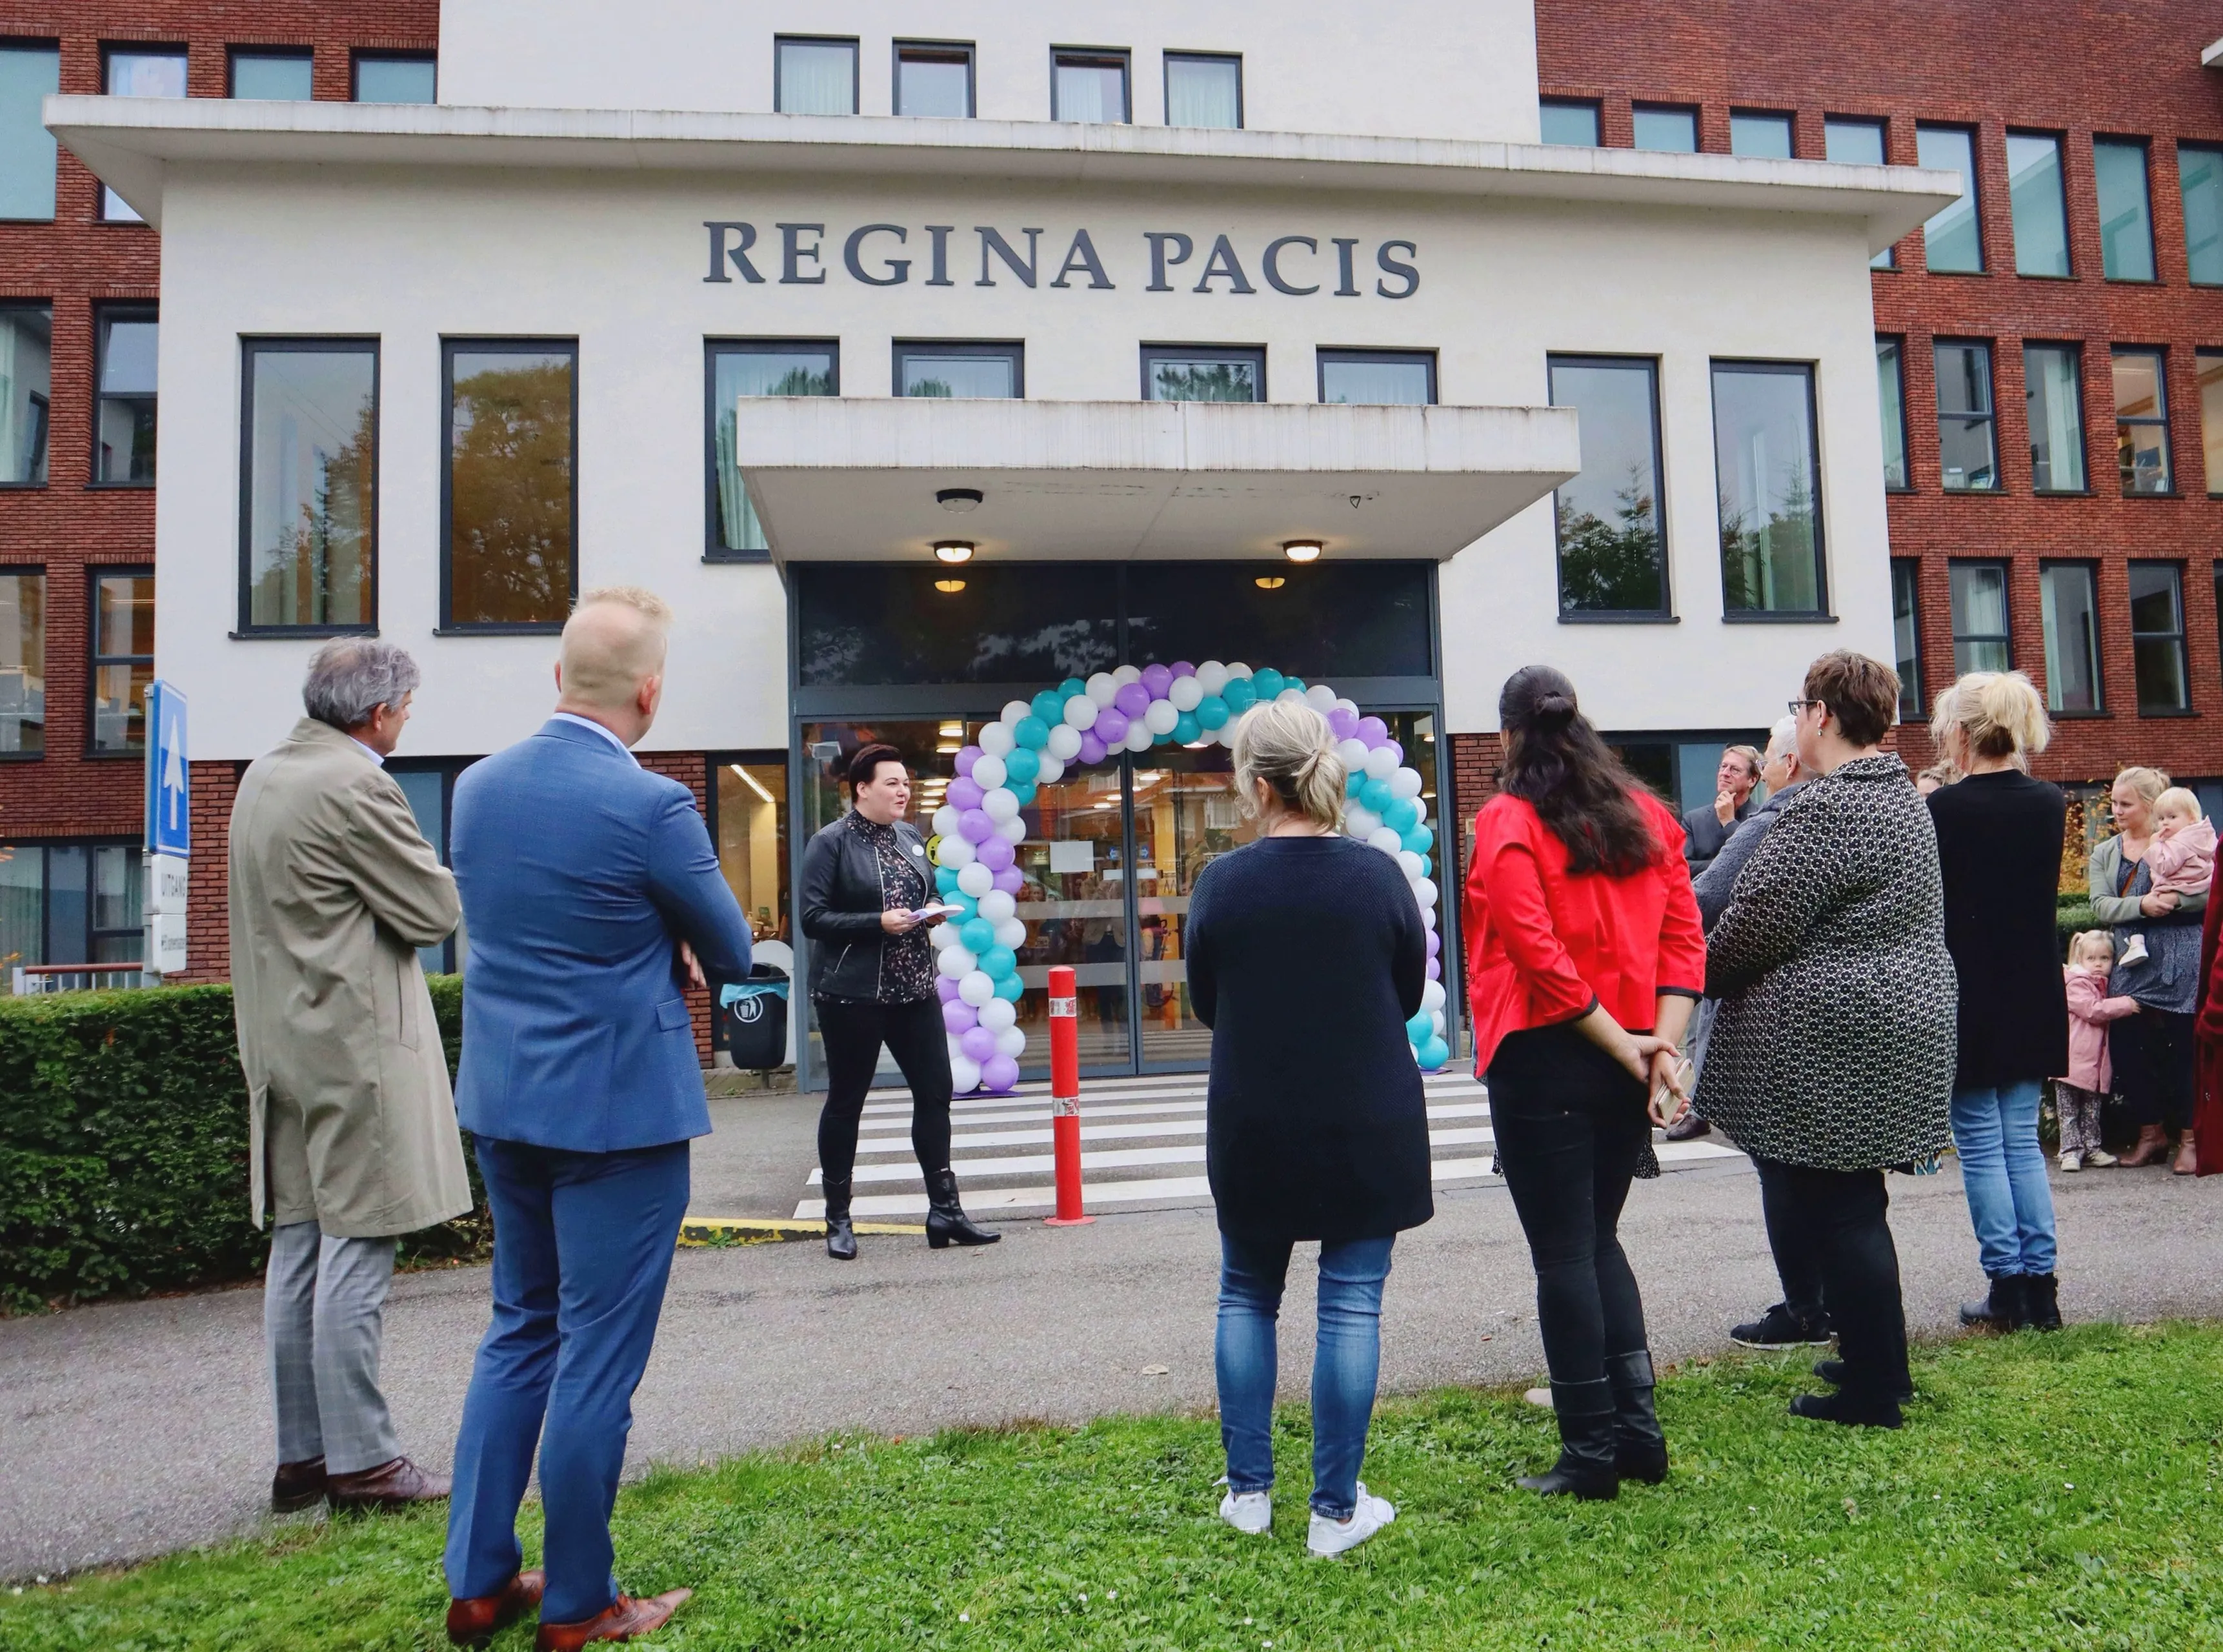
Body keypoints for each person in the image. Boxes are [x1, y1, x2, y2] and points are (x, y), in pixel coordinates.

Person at [443, 588, 752, 1651]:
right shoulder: (654, 806)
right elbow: (733, 953)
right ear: (651, 694)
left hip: (504, 1103)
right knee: (596, 1358)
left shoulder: (476, 790)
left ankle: (478, 1581)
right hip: (619, 1115)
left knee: (518, 1329)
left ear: (557, 677)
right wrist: (670, 940)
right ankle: (579, 1600)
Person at [228, 639, 468, 1518]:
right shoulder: (357, 784)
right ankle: (365, 1463)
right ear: (377, 713)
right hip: (354, 1043)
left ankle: (304, 1456)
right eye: (405, 707)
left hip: (280, 1043)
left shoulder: (262, 776)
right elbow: (432, 910)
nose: (407, 720)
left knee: (298, 1246)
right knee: (358, 1245)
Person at [1187, 699, 1429, 1557]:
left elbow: (1206, 1002)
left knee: (1246, 1294)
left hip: (1255, 1117)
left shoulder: (1221, 883)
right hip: (1367, 1117)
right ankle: (1334, 1512)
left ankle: (1249, 1494)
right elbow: (1406, 993)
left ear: (1257, 786)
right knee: (1351, 1303)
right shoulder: (1377, 876)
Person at [1465, 666, 1704, 1499]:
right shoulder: (1647, 816)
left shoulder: (1506, 820)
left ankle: (1589, 1451)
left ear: (1507, 736)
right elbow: (1684, 940)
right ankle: (1636, 1435)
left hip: (1545, 1054)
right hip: (1628, 1054)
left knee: (1564, 1252)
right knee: (1599, 1240)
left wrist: (1631, 1046)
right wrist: (1659, 1048)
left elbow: (1537, 956)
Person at [1699, 650, 1955, 1428]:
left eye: (1799, 708)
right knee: (1854, 1202)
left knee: (1840, 1210)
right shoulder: (1900, 795)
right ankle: (1880, 1363)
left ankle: (1873, 1390)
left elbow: (1754, 927)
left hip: (1836, 1038)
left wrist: (1685, 975)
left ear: (1820, 715)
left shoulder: (1828, 808)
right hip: (1892, 1021)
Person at [799, 741, 998, 1261]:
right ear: (861, 789)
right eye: (892, 783)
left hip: (914, 990)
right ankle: (837, 1219)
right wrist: (876, 923)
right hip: (852, 994)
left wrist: (932, 908)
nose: (903, 791)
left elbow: (921, 894)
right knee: (847, 1102)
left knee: (935, 1094)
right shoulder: (830, 842)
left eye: (906, 783)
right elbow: (812, 919)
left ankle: (945, 1211)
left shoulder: (909, 837)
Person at [1926, 672, 2070, 1334]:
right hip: (2032, 986)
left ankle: (2006, 1287)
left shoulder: (1944, 809)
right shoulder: (2048, 802)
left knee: (1982, 1146)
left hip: (1967, 990)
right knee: (2020, 1144)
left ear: (1960, 732)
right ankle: (2041, 1290)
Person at [1693, 717, 1833, 1350]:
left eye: (1770, 758)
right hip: (1837, 1014)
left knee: (1780, 1167)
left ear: (1788, 765)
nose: (1766, 768)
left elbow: (1704, 899)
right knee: (1831, 1180)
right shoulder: (1846, 815)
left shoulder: (1771, 820)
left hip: (1772, 1018)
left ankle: (1804, 1308)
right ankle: (1833, 1303)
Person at [1668, 716, 1807, 1145]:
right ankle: (1700, 1105)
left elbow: (1731, 872)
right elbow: (1685, 869)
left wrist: (1730, 830)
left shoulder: (1764, 817)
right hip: (1710, 936)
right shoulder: (1696, 819)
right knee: (1700, 1028)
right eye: (1722, 767)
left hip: (1740, 942)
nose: (1725, 774)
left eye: (1738, 768)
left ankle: (1716, 1105)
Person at [2089, 766, 2207, 1173]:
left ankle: (2190, 1140)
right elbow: (2100, 904)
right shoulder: (2106, 852)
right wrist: (2142, 905)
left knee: (2184, 1051)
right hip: (2131, 960)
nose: (2117, 811)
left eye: (2126, 804)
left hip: (2182, 956)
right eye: (2114, 803)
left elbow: (2212, 890)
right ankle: (2150, 1135)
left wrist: (2176, 903)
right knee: (2129, 1050)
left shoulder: (2188, 841)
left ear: (2150, 805)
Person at [2059, 931, 2135, 1171]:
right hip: (2071, 1061)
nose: (2099, 964)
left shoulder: (2102, 985)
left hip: (2095, 1063)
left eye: (2105, 958)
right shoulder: (2075, 983)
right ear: (2080, 958)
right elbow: (2093, 1010)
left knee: (2092, 1110)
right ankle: (2070, 1151)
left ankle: (2092, 1148)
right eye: (2091, 959)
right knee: (2069, 1111)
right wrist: (2126, 1004)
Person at [2121, 788, 2216, 965]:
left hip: (2178, 886)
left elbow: (2164, 867)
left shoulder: (2179, 843)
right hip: (2197, 886)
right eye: (2161, 818)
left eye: (2172, 817)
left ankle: (2136, 942)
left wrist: (2153, 846)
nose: (2165, 823)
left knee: (2142, 906)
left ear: (2192, 818)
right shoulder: (2202, 837)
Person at [1683, 745, 1762, 877]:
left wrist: (1729, 822)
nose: (1725, 773)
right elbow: (1683, 867)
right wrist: (1727, 864)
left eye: (1735, 770)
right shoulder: (1693, 820)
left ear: (1752, 780)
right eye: (1723, 766)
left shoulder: (1761, 818)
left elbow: (1756, 863)